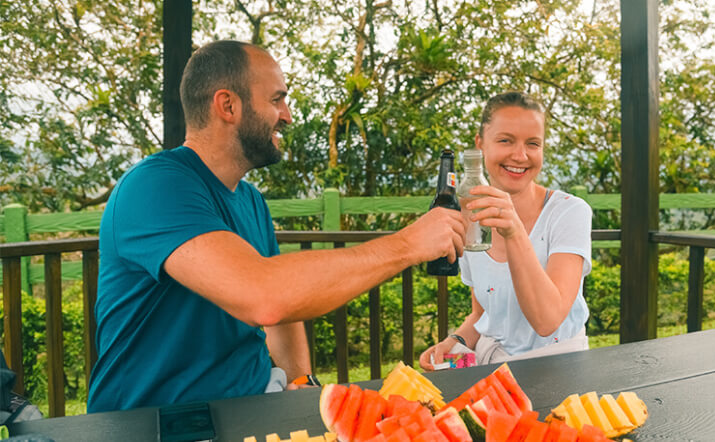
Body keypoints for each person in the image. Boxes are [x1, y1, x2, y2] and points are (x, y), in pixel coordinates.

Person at [87, 40, 465, 412]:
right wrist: (408, 244)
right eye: (276, 100)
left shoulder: (250, 200)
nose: (286, 115)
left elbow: (283, 312)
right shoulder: (156, 186)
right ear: (228, 105)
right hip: (155, 421)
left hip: (249, 406)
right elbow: (264, 296)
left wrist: (301, 382)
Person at [419, 92, 592, 370]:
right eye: (505, 140)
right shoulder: (467, 216)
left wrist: (514, 231)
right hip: (492, 369)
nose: (520, 155)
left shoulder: (569, 212)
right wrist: (453, 341)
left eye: (533, 144)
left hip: (561, 369)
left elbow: (548, 321)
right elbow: (482, 313)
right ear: (480, 144)